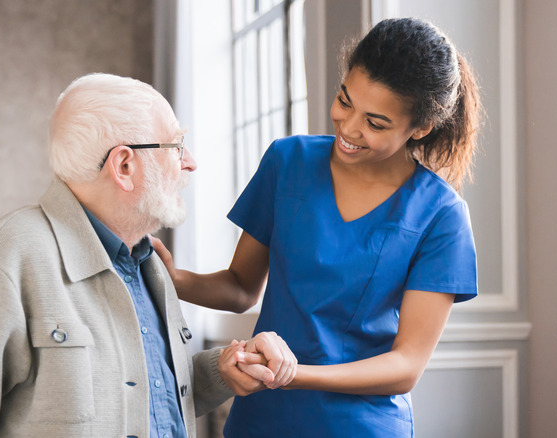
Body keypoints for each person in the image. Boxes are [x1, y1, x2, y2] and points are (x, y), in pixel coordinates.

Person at [0, 73, 295, 438]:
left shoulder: (148, 263)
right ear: (124, 165)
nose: (189, 162)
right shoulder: (5, 259)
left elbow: (145, 395)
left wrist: (224, 369)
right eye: (176, 146)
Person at [153, 17, 482, 437]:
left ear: (420, 128)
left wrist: (294, 374)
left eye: (376, 123)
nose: (348, 128)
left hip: (359, 425)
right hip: (262, 417)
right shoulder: (287, 162)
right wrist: (172, 279)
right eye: (345, 101)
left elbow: (405, 366)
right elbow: (240, 288)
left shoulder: (442, 215)